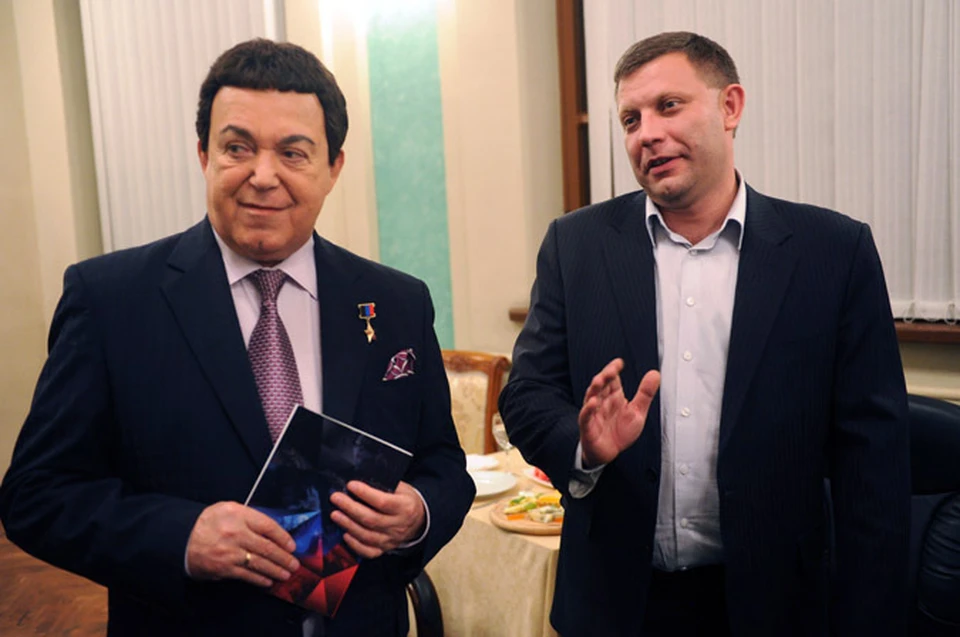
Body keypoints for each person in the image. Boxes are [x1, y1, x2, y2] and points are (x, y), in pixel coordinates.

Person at [0, 38, 474, 637]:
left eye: (293, 153)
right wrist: (182, 537)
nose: (263, 176)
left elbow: (443, 465)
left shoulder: (398, 302)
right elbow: (35, 495)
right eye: (237, 148)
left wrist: (417, 515)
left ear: (334, 167)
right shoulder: (111, 300)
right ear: (204, 154)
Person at [499, 31, 910, 637]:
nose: (646, 134)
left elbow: (873, 458)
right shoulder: (576, 244)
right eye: (631, 119)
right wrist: (585, 447)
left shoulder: (832, 252)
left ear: (730, 106)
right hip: (616, 604)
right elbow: (526, 394)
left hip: (776, 604)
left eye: (668, 106)